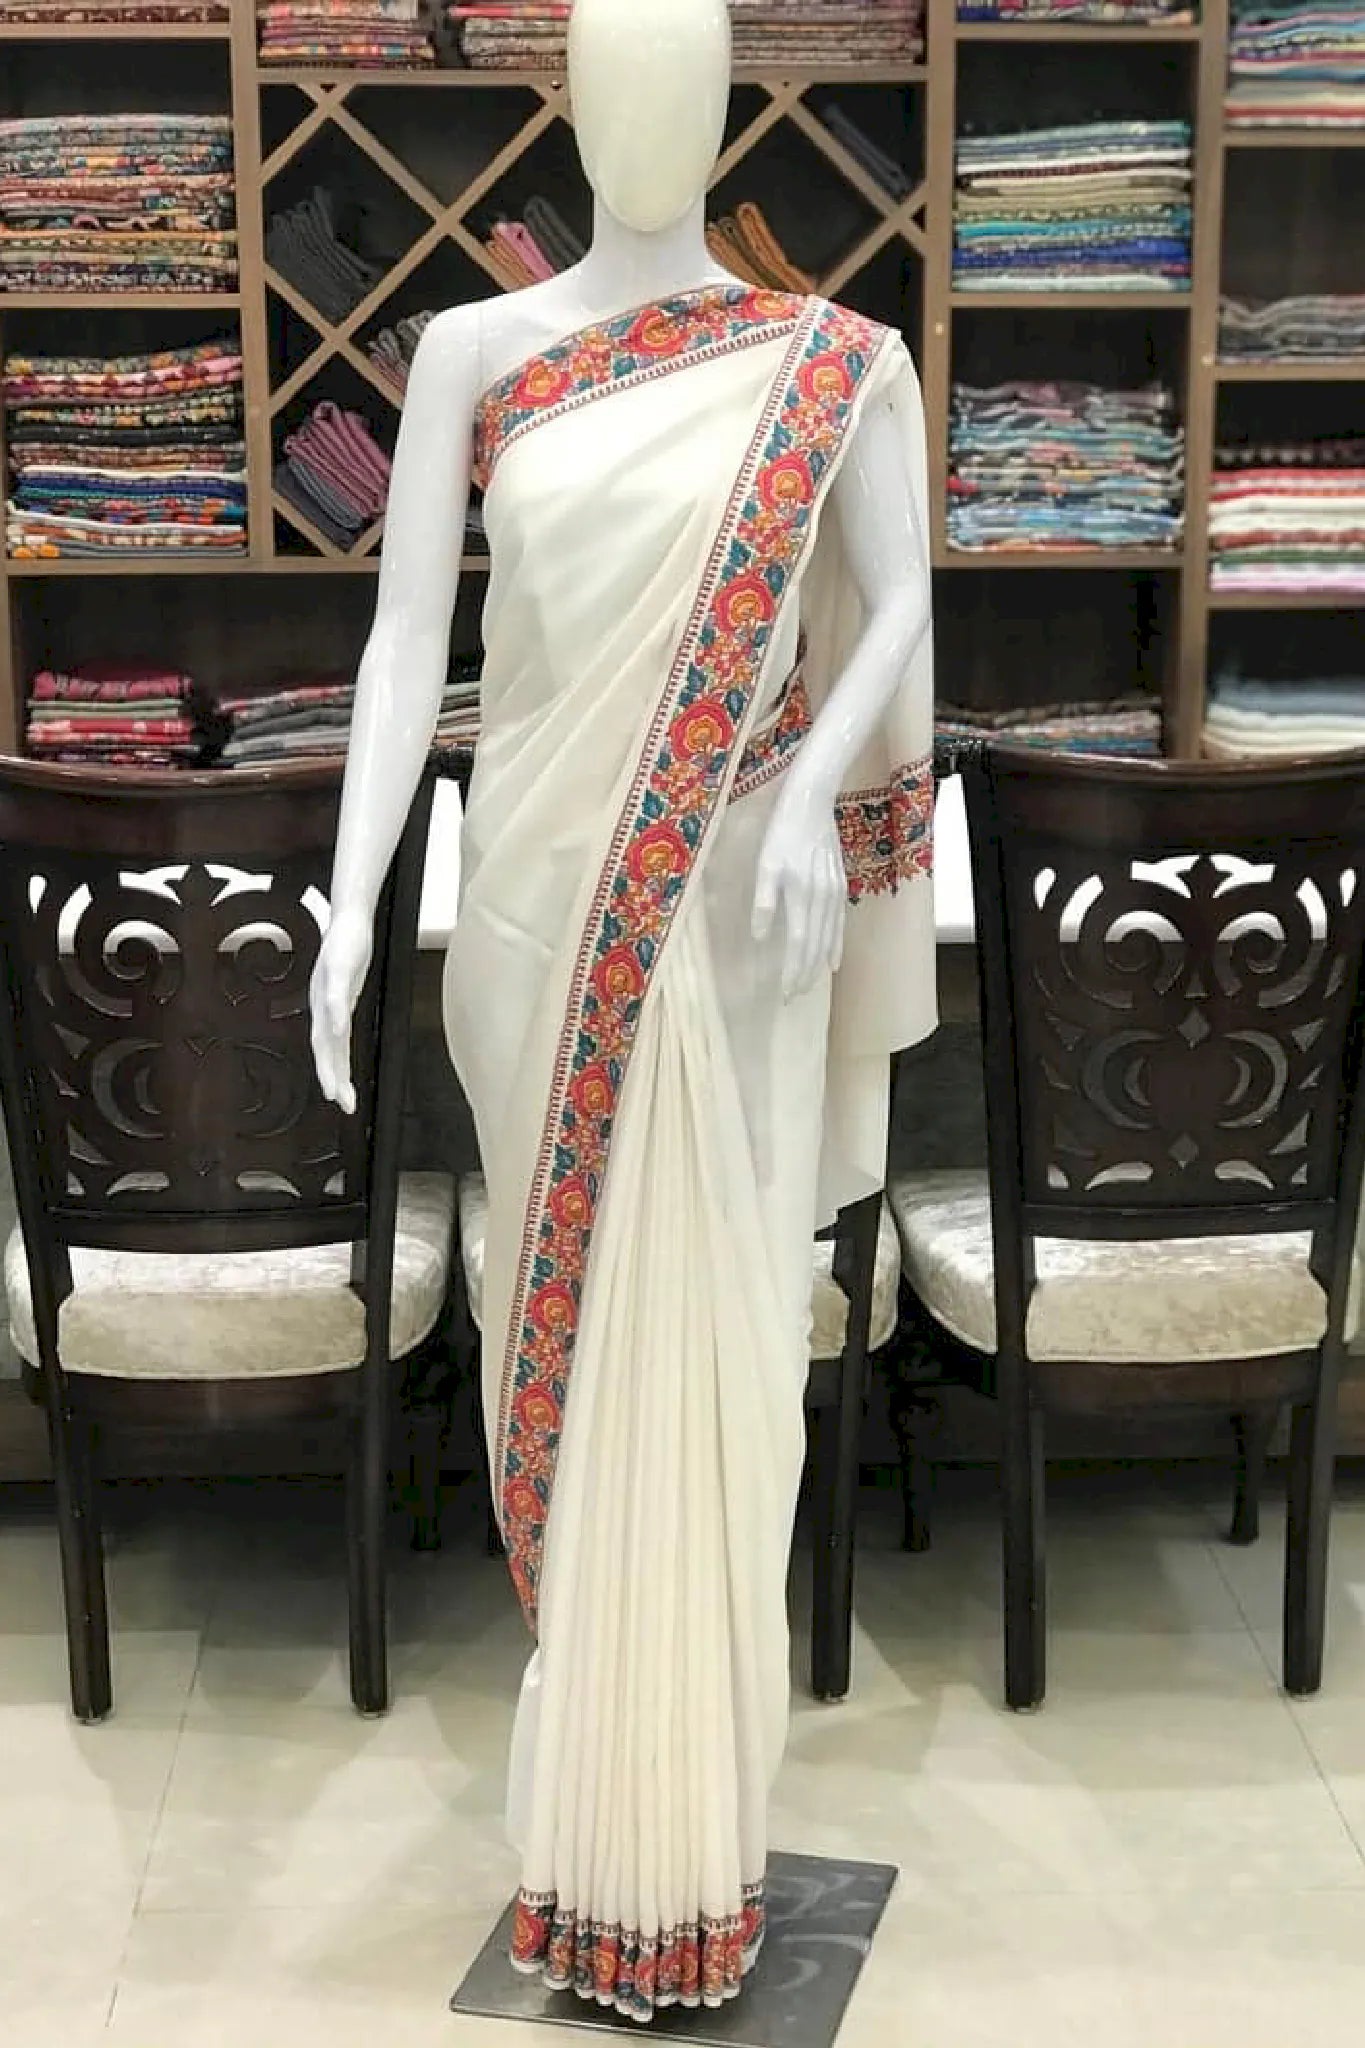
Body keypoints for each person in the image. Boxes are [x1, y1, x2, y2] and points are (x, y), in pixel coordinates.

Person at [310, 0, 935, 2021]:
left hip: (728, 918)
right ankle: (594, 1833)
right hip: (530, 913)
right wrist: (349, 898)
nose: (647, 115)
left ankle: (689, 1847)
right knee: (552, 1328)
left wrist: (813, 779)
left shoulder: (831, 361)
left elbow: (901, 601)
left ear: (730, 103)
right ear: (567, 106)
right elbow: (405, 640)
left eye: (684, 79)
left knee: (729, 1354)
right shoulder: (474, 352)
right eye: (613, 77)